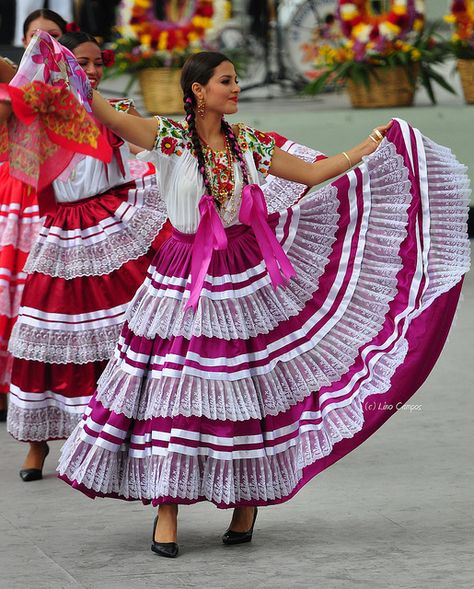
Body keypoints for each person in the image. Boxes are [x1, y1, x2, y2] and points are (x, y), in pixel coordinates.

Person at [7, 51, 471, 557]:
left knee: (245, 387)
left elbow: (314, 176)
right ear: (199, 90)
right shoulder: (168, 137)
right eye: (226, 80)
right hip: (183, 272)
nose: (237, 87)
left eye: (237, 79)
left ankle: (245, 503)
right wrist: (60, 67)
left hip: (242, 274)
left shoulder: (246, 142)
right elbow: (104, 112)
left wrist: (369, 146)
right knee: (173, 389)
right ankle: (168, 508)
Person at [1, 30, 169, 481]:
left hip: (113, 221)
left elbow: (146, 147)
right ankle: (37, 444)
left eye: (98, 63)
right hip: (61, 232)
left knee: (129, 328)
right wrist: (41, 55)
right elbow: (9, 78)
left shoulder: (114, 110)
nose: (92, 71)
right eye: (82, 62)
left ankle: (129, 432)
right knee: (45, 332)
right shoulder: (40, 107)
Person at [0, 9, 69, 422]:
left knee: (41, 297)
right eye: (35, 37)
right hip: (13, 198)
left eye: (54, 37)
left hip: (54, 199)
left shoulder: (76, 87)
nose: (44, 44)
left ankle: (41, 389)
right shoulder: (11, 85)